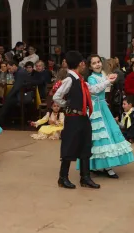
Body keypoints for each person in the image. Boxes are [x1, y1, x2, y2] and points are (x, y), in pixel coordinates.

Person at [79, 55, 134, 179]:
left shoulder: (102, 74)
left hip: (103, 106)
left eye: (98, 62)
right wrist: (108, 81)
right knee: (99, 136)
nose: (97, 65)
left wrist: (110, 79)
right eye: (94, 63)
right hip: (95, 109)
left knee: (109, 134)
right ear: (90, 66)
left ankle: (105, 165)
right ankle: (101, 166)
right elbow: (94, 89)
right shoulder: (91, 78)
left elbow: (106, 86)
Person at [53, 50, 100, 189]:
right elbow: (57, 96)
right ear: (80, 64)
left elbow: (92, 89)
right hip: (73, 117)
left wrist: (107, 82)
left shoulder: (81, 80)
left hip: (83, 116)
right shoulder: (69, 79)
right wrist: (66, 104)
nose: (84, 65)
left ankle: (85, 177)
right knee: (69, 146)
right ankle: (63, 177)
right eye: (83, 63)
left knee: (85, 145)